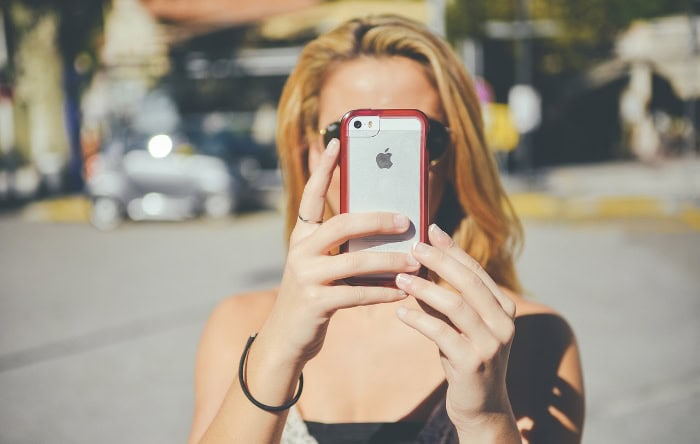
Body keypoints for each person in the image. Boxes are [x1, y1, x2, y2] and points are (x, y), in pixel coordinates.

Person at [188, 15, 584, 444]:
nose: (387, 164)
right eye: (352, 135)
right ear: (310, 150)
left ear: (454, 156)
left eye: (418, 136)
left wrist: (486, 418)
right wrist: (278, 351)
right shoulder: (239, 325)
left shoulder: (521, 335)